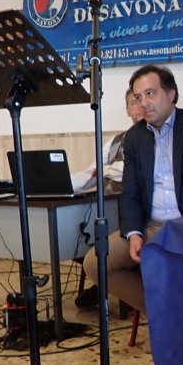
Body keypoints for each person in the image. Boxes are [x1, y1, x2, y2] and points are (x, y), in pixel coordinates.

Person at [80, 64, 183, 318]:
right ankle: (164, 315)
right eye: (138, 97)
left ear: (171, 94)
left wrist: (179, 231)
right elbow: (130, 191)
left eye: (150, 93)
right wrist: (134, 232)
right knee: (96, 263)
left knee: (178, 265)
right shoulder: (134, 138)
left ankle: (180, 317)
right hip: (153, 226)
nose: (143, 103)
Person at [73, 87, 143, 309]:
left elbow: (128, 172)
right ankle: (103, 283)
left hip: (137, 214)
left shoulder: (157, 137)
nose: (140, 106)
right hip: (110, 210)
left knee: (103, 239)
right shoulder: (116, 142)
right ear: (127, 110)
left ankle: (105, 284)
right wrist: (62, 183)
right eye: (134, 102)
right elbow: (91, 172)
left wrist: (106, 171)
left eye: (144, 99)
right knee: (76, 238)